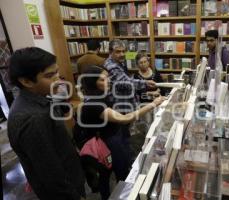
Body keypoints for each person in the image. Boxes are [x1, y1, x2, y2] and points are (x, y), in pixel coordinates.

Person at [7, 47, 85, 200]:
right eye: (50, 75)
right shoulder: (32, 119)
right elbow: (50, 173)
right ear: (26, 81)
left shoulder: (39, 98)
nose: (58, 79)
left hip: (71, 177)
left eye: (56, 72)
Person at [78, 66, 165, 200]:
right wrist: (152, 104)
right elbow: (124, 118)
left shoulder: (100, 95)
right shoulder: (94, 104)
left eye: (107, 78)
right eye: (103, 79)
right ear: (92, 82)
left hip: (113, 137)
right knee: (116, 173)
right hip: (108, 142)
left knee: (111, 172)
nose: (108, 81)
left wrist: (147, 95)